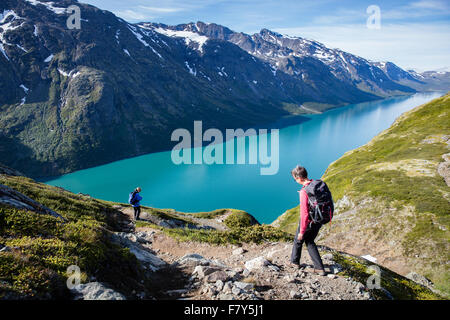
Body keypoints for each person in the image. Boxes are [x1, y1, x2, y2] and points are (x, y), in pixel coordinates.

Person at [290, 165, 327, 276]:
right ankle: (319, 268)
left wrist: (302, 231)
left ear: (299, 178)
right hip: (319, 218)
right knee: (310, 241)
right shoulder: (316, 184)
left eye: (294, 178)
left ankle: (294, 262)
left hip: (310, 220)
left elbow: (304, 213)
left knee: (298, 239)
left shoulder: (304, 191)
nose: (295, 180)